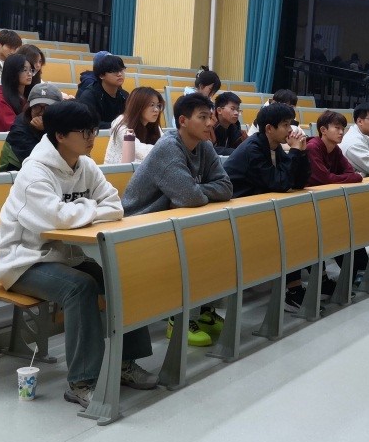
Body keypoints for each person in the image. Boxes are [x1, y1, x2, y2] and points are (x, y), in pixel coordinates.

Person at [0, 100, 157, 409]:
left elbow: (115, 205)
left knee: (120, 275)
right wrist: (91, 209)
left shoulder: (86, 165)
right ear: (60, 136)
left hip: (65, 257)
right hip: (22, 260)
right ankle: (82, 382)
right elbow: (56, 219)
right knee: (80, 287)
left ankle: (125, 362)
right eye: (84, 132)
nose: (92, 137)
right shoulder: (34, 173)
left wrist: (79, 210)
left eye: (94, 130)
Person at [121, 91, 233, 346]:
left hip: (170, 221)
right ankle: (178, 320)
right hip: (140, 225)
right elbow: (189, 197)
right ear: (183, 120)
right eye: (202, 117)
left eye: (210, 117)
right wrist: (192, 194)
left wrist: (195, 192)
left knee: (215, 243)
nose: (210, 123)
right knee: (192, 250)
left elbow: (226, 187)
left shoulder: (204, 146)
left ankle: (203, 312)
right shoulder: (168, 148)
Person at [224, 101, 312, 308]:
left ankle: (299, 287)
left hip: (258, 208)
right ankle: (294, 290)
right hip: (237, 214)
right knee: (290, 231)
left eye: (291, 124)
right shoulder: (253, 149)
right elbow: (279, 183)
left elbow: (298, 182)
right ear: (269, 128)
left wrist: (301, 153)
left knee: (300, 226)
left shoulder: (274, 147)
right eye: (285, 125)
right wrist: (294, 153)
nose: (290, 130)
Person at [306, 109, 369, 291]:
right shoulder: (313, 148)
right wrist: (349, 177)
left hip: (326, 202)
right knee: (338, 229)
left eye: (343, 128)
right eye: (337, 128)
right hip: (309, 205)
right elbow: (326, 178)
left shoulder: (335, 150)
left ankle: (361, 271)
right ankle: (359, 272)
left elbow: (351, 173)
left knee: (347, 227)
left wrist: (348, 177)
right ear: (323, 130)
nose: (341, 132)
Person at [0, 83, 64, 172]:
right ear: (30, 108)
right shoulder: (19, 129)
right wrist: (47, 131)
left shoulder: (64, 123)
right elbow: (42, 162)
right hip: (16, 175)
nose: (41, 112)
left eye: (48, 108)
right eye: (36, 107)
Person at [104, 87, 163, 164]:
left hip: (141, 169)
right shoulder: (121, 122)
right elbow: (138, 150)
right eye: (152, 105)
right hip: (119, 170)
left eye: (158, 105)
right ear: (138, 105)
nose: (156, 110)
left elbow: (164, 142)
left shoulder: (153, 124)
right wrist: (165, 149)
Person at [77, 53, 127, 128]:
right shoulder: (89, 96)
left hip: (121, 133)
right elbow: (90, 123)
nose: (120, 74)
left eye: (122, 70)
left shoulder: (125, 95)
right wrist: (118, 125)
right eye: (114, 71)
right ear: (101, 75)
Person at [0, 54, 34, 132]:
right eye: (25, 70)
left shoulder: (27, 94)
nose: (30, 74)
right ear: (13, 72)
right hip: (4, 138)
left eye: (30, 70)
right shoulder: (1, 98)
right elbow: (12, 125)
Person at [210, 91, 245, 156]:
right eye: (232, 109)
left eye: (238, 109)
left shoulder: (235, 127)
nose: (236, 113)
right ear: (219, 110)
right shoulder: (208, 126)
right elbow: (208, 149)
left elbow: (243, 149)